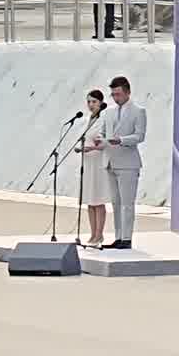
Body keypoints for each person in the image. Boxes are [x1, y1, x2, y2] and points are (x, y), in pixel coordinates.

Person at [97, 75, 148, 248]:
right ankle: (118, 237)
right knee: (116, 203)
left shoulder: (138, 111)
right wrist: (99, 139)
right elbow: (103, 132)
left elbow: (139, 136)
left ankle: (127, 239)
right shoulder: (108, 112)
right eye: (113, 94)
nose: (115, 98)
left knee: (127, 203)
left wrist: (121, 140)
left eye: (118, 94)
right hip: (110, 161)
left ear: (128, 92)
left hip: (128, 163)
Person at [73, 89, 112, 244]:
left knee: (98, 200)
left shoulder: (104, 119)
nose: (91, 105)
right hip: (88, 163)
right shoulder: (88, 120)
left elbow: (106, 142)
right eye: (89, 102)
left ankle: (99, 234)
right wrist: (81, 148)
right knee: (89, 200)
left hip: (98, 163)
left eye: (94, 102)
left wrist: (93, 147)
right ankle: (92, 234)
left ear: (101, 103)